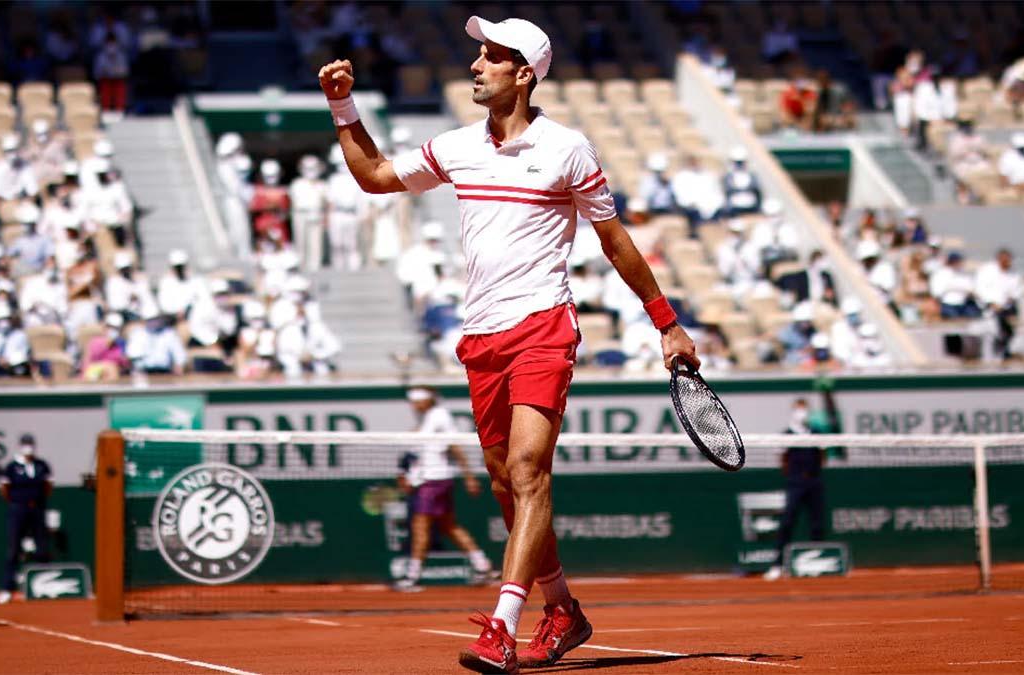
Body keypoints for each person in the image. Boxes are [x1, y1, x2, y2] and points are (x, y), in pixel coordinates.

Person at [318, 15, 698, 671]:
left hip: (544, 326)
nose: (476, 65)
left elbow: (615, 241)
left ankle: (503, 625)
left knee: (527, 469)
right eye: (478, 56)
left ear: (524, 73)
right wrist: (342, 105)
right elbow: (375, 176)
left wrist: (666, 321)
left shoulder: (569, 150)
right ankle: (564, 608)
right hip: (481, 336)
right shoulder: (457, 146)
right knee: (504, 484)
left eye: (491, 57)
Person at [395, 387, 496, 592]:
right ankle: (483, 565)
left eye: (417, 401)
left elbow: (454, 446)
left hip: (434, 480)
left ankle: (412, 576)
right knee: (448, 526)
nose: (414, 405)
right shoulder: (427, 420)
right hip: (430, 479)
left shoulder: (440, 416)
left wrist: (469, 476)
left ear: (428, 400)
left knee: (420, 526)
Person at [764, 383, 839, 580]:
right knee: (787, 522)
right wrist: (794, 476)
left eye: (804, 409)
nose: (802, 413)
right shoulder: (786, 435)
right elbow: (783, 459)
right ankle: (777, 565)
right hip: (795, 483)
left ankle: (818, 564)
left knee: (817, 524)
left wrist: (813, 474)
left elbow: (823, 455)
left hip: (814, 483)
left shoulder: (816, 433)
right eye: (799, 409)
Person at [0, 433, 54, 602]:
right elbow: (5, 490)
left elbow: (48, 486)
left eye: (30, 444)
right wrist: (17, 502)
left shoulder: (42, 465)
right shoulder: (11, 467)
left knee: (42, 547)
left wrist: (38, 501)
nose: (28, 448)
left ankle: (44, 587)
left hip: (37, 509)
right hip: (18, 509)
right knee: (14, 549)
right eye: (25, 444)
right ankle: (7, 588)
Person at [975, 249, 1022, 359]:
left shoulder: (1014, 274)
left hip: (1006, 310)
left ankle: (1004, 354)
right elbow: (980, 290)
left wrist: (1005, 305)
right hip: (987, 309)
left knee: (1007, 334)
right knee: (990, 336)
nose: (1007, 262)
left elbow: (1015, 293)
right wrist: (991, 304)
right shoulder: (986, 271)